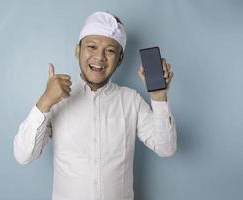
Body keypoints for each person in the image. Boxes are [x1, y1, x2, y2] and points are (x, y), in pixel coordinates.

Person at [13, 11, 177, 200]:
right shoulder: (56, 100)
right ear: (77, 50)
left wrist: (159, 95)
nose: (99, 57)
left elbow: (166, 148)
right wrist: (45, 102)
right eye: (91, 46)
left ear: (120, 59)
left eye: (110, 50)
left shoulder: (131, 100)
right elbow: (23, 155)